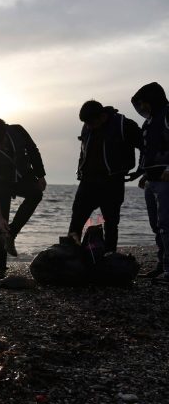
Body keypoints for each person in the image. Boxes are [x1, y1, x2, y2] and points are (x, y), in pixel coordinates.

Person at [68, 100, 141, 252]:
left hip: (112, 181)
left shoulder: (124, 124)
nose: (88, 126)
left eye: (91, 122)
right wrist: (80, 171)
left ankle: (109, 257)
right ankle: (71, 255)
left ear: (102, 116)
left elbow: (147, 146)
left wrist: (141, 171)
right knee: (76, 220)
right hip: (87, 181)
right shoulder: (87, 126)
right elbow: (83, 152)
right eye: (85, 123)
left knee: (111, 222)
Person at [0, 119, 46, 279]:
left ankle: (12, 233)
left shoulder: (18, 131)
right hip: (1, 183)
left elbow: (33, 150)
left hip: (23, 176)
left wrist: (40, 175)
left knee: (36, 194)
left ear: (6, 133)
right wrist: (0, 216)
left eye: (0, 143)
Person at [131, 82, 169, 283]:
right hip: (152, 180)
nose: (141, 108)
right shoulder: (150, 122)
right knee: (157, 225)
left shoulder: (167, 115)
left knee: (166, 225)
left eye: (143, 103)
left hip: (165, 179)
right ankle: (162, 265)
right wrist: (144, 174)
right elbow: (148, 151)